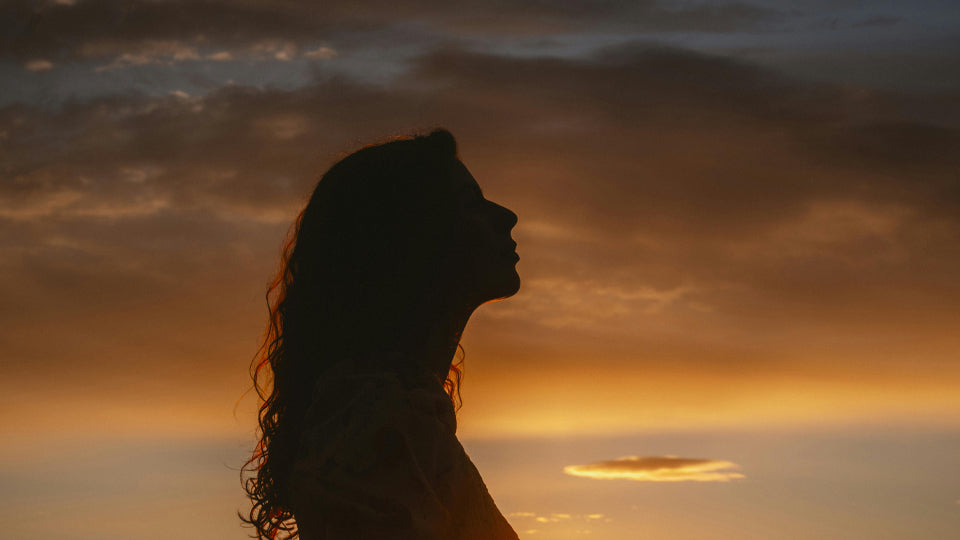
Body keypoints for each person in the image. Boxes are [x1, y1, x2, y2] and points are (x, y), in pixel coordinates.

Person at [243, 129, 521, 539]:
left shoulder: (396, 412)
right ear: (410, 239)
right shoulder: (373, 424)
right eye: (469, 205)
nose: (506, 216)